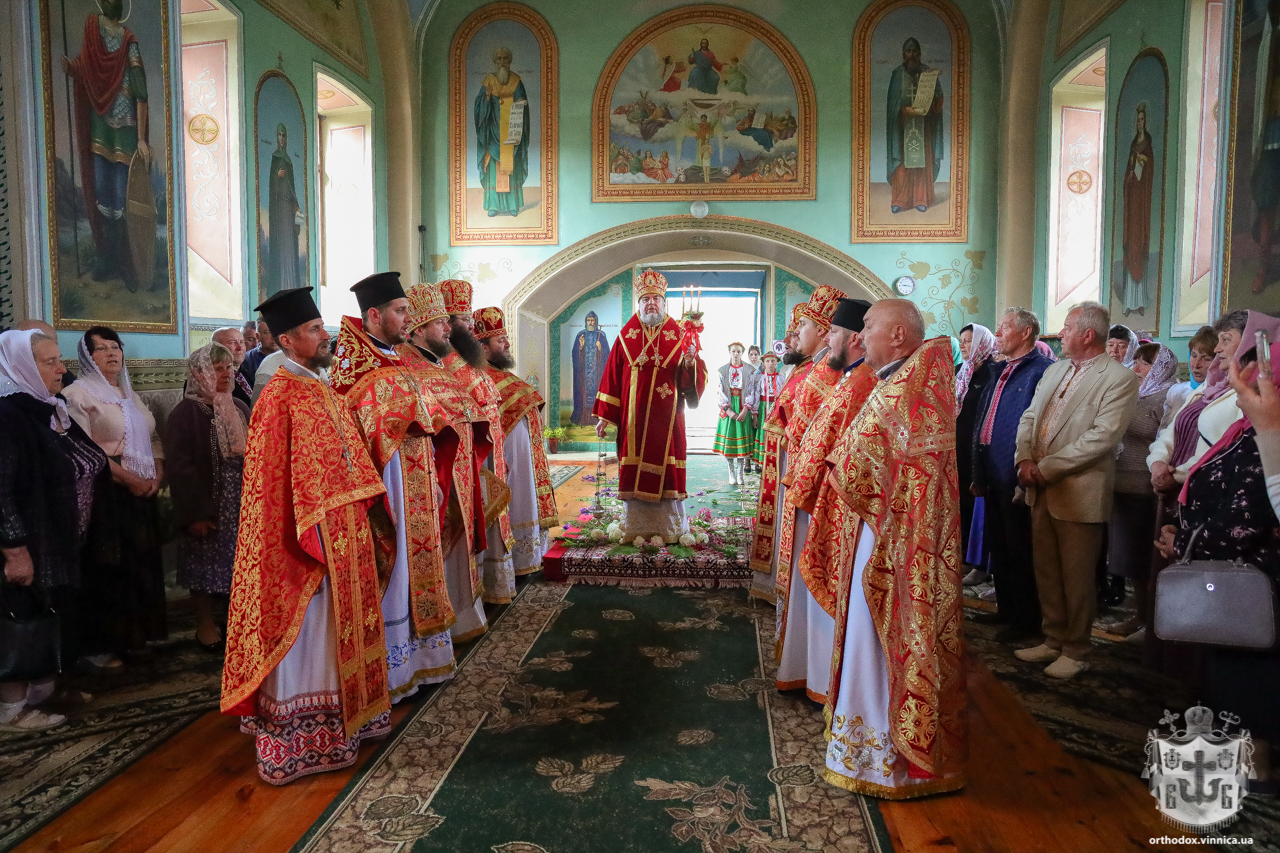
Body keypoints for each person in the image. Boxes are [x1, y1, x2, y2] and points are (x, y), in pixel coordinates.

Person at [221, 287, 391, 784]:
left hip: (343, 533)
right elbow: (273, 485)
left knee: (340, 631)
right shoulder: (279, 394)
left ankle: (350, 725)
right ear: (289, 340)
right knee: (311, 634)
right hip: (305, 544)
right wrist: (314, 528)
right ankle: (301, 741)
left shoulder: (319, 387)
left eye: (322, 327)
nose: (325, 336)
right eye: (315, 329)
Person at [823, 300, 966, 797]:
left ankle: (888, 760)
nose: (860, 336)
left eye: (868, 326)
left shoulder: (907, 388)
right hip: (883, 533)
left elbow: (860, 460)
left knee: (879, 632)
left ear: (899, 334)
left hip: (894, 542)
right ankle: (874, 750)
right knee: (871, 631)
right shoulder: (903, 381)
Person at [331, 272, 458, 701]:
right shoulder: (353, 367)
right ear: (374, 314)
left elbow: (427, 416)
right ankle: (393, 668)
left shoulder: (398, 357)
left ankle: (422, 661)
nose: (408, 319)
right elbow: (354, 432)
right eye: (400, 311)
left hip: (417, 480)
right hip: (387, 486)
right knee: (396, 566)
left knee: (417, 564)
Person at [1156, 342, 1280, 776]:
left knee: (1249, 674)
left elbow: (1249, 515)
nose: (1237, 386)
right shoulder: (1248, 430)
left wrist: (1185, 542)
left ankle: (1255, 768)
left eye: (1245, 378)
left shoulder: (1268, 435)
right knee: (1228, 671)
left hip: (1252, 577)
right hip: (1231, 571)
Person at [1013, 302, 1140, 679]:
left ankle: (1077, 648)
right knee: (1047, 570)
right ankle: (1052, 638)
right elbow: (1030, 416)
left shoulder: (1119, 378)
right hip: (1040, 485)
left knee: (1078, 576)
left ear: (1087, 334)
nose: (1060, 333)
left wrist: (1045, 468)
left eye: (1067, 327)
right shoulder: (1055, 370)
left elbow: (1102, 437)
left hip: (1079, 489)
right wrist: (1023, 459)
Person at [0, 330, 107, 730]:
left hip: (57, 538)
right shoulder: (8, 415)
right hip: (29, 539)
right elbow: (2, 491)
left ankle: (43, 690)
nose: (62, 368)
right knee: (21, 618)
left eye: (59, 359)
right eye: (49, 362)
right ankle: (12, 707)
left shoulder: (48, 406)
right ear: (21, 367)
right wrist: (14, 549)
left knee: (50, 613)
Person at [774, 299, 874, 703]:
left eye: (831, 333)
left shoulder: (861, 382)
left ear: (852, 338)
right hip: (813, 496)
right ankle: (809, 673)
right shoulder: (845, 376)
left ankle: (821, 680)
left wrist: (802, 485)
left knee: (822, 599)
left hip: (830, 505)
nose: (825, 341)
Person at [63, 325, 166, 668]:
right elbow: (83, 450)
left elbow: (151, 436)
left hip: (141, 487)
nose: (111, 353)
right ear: (87, 357)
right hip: (107, 490)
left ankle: (136, 637)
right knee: (109, 566)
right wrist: (129, 479)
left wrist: (158, 472)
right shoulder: (77, 395)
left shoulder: (127, 393)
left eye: (115, 347)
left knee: (139, 564)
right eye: (101, 348)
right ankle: (102, 645)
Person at [401, 282, 490, 644]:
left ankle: (460, 616)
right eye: (440, 323)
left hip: (459, 473)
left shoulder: (438, 365)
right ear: (420, 329)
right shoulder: (409, 369)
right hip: (433, 478)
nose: (448, 329)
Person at [593, 270, 708, 540]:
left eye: (656, 298)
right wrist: (605, 417)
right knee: (634, 468)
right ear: (639, 305)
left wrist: (691, 362)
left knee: (667, 470)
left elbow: (690, 382)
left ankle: (669, 529)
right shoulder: (625, 337)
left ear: (664, 303)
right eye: (646, 299)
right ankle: (636, 527)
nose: (651, 304)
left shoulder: (680, 337)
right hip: (633, 423)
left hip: (668, 423)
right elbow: (612, 377)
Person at [969, 308, 1055, 642]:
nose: (999, 333)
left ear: (1026, 333)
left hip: (1016, 471)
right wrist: (977, 471)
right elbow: (981, 422)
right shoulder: (997, 370)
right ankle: (1006, 612)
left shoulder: (1042, 371)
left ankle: (1026, 621)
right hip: (991, 470)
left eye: (1005, 328)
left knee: (1022, 551)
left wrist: (1024, 473)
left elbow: (1041, 429)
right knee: (999, 546)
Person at [747, 298, 838, 602]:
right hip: (784, 457)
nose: (791, 338)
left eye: (800, 327)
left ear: (824, 330)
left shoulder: (822, 370)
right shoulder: (807, 369)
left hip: (798, 461)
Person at [163, 343, 249, 651]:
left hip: (240, 503)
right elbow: (180, 468)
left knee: (238, 567)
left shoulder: (238, 407)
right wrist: (196, 514)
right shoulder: (186, 412)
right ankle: (205, 624)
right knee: (202, 567)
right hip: (208, 502)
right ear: (199, 373)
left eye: (229, 368)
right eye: (217, 369)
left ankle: (235, 622)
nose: (226, 374)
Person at [61, 0, 151, 288]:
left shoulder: (128, 41)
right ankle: (106, 256)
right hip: (100, 122)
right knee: (101, 188)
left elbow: (140, 92)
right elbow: (85, 67)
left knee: (122, 195)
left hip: (126, 129)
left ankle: (124, 260)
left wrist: (141, 138)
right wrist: (71, 67)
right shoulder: (92, 29)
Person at [441, 279, 515, 616]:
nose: (470, 326)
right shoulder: (445, 364)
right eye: (462, 319)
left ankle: (489, 588)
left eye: (470, 318)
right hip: (464, 460)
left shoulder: (468, 361)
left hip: (485, 454)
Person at [475, 306, 560, 576]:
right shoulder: (479, 377)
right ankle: (513, 561)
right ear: (484, 347)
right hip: (502, 464)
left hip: (521, 462)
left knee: (524, 496)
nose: (508, 344)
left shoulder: (501, 377)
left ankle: (526, 556)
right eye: (501, 341)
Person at [1103, 342, 1178, 642]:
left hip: (1145, 491)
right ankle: (1140, 616)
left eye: (1145, 364)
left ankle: (1153, 624)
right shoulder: (1131, 393)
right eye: (1136, 362)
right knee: (1128, 561)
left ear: (1160, 368)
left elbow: (1166, 442)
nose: (1136, 368)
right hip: (1120, 486)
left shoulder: (1167, 397)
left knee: (1147, 563)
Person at [955, 323, 998, 585]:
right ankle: (961, 557)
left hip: (980, 451)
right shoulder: (961, 372)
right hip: (958, 447)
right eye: (961, 340)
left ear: (982, 343)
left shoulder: (992, 373)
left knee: (977, 506)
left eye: (969, 341)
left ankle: (979, 563)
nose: (963, 345)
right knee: (960, 503)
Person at [886, 37, 944, 214]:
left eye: (915, 51)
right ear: (904, 54)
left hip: (923, 127)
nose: (912, 55)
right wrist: (904, 110)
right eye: (908, 51)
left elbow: (938, 97)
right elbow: (892, 105)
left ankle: (922, 198)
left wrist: (931, 106)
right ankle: (900, 200)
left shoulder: (928, 74)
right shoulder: (897, 74)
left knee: (922, 162)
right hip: (903, 127)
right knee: (903, 163)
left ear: (919, 53)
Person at [474, 47, 530, 218]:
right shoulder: (488, 81)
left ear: (510, 61)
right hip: (492, 132)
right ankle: (493, 205)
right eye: (499, 59)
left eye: (505, 58)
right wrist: (488, 99)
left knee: (511, 166)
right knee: (493, 167)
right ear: (495, 61)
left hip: (510, 131)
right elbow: (479, 107)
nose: (502, 62)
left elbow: (523, 103)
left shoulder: (516, 81)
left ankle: (512, 205)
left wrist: (519, 103)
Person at [1120, 103, 1156, 318]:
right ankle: (1129, 301)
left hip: (1141, 206)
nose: (1139, 123)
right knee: (1130, 249)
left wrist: (1142, 168)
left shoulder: (1148, 145)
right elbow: (1127, 174)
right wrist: (1132, 174)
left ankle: (1140, 299)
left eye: (1142, 120)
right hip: (1131, 206)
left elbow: (1149, 172)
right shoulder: (1133, 146)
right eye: (1137, 120)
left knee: (1139, 248)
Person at [266, 124, 304, 294]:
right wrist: (276, 177)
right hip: (279, 210)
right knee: (281, 247)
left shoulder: (288, 161)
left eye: (284, 135)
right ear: (276, 137)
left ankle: (290, 282)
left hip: (289, 210)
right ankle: (281, 282)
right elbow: (272, 187)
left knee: (290, 245)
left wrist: (296, 206)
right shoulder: (275, 159)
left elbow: (292, 189)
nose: (282, 139)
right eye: (279, 135)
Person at [714, 343, 756, 486]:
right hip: (730, 406)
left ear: (742, 353)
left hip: (742, 405)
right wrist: (728, 410)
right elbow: (720, 392)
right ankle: (731, 471)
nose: (736, 354)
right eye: (734, 351)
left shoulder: (749, 370)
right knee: (730, 441)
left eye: (738, 351)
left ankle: (740, 473)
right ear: (730, 352)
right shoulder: (723, 371)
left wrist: (745, 410)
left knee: (741, 443)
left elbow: (751, 390)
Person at [1164, 326, 1217, 418]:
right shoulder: (1176, 391)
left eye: (1206, 359)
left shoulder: (1225, 397)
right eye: (1194, 355)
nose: (1196, 364)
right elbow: (1164, 428)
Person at [570, 311, 610, 426]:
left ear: (596, 322)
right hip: (583, 374)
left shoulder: (601, 335)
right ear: (585, 322)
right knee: (583, 393)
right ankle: (583, 417)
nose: (590, 322)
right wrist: (581, 347)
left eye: (592, 320)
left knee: (596, 393)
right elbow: (575, 355)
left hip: (597, 373)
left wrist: (600, 348)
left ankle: (597, 419)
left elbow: (608, 355)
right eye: (588, 320)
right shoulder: (580, 335)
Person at [749, 351, 782, 474]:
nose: (770, 364)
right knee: (762, 433)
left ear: (776, 363)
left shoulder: (781, 378)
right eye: (767, 361)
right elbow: (756, 396)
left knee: (774, 434)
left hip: (776, 409)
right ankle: (760, 461)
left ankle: (773, 460)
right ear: (763, 363)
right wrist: (755, 414)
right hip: (763, 408)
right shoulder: (760, 379)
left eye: (773, 361)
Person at [211, 326, 253, 407]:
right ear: (217, 347)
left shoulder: (248, 370)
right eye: (232, 342)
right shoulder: (208, 376)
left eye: (242, 342)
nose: (239, 348)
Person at [240, 318, 277, 389]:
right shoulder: (246, 360)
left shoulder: (292, 357)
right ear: (258, 336)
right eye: (268, 332)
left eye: (276, 331)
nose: (274, 337)